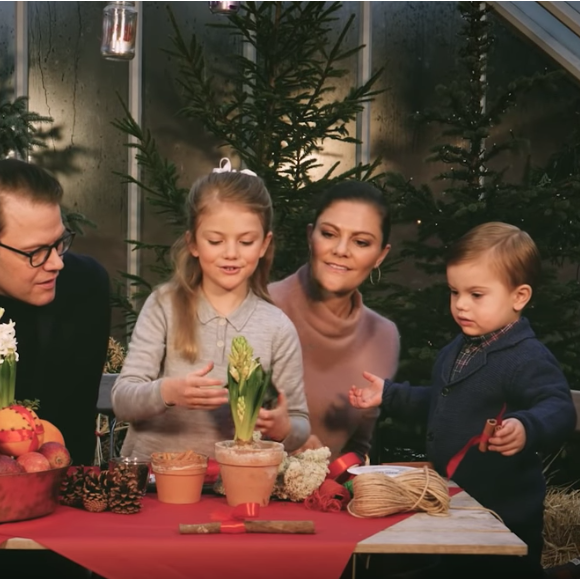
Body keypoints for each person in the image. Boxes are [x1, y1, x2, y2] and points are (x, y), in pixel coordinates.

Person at [349, 221, 577, 579]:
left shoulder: (526, 358)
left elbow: (558, 406)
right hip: (455, 506)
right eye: (454, 292)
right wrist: (390, 394)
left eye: (476, 294)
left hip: (501, 519)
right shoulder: (458, 348)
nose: (460, 305)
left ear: (519, 296)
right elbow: (443, 402)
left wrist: (525, 426)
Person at [112, 161, 310, 460]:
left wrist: (283, 428)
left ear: (264, 245)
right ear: (193, 243)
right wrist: (168, 392)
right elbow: (123, 400)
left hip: (235, 484)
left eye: (246, 241)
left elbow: (300, 422)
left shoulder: (277, 327)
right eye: (215, 240)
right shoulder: (164, 305)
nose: (231, 253)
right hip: (154, 482)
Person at [0, 158, 111, 580]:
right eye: (35, 253)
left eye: (60, 241)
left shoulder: (85, 285)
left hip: (67, 518)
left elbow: (72, 417)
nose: (56, 263)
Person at [269, 180, 400, 465]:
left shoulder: (384, 336)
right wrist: (288, 440)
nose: (341, 250)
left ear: (380, 255)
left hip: (327, 500)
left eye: (361, 242)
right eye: (329, 234)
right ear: (310, 236)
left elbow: (358, 448)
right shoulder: (262, 309)